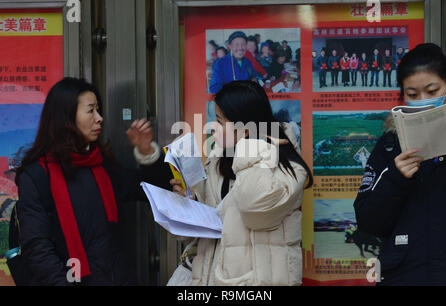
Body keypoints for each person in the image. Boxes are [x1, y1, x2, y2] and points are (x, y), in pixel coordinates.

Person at [14, 77, 172, 285]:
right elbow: (37, 248)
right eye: (90, 111)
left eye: (99, 110)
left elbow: (154, 191)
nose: (99, 118)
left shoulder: (102, 166)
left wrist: (147, 152)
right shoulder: (37, 176)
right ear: (66, 117)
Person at [168, 80, 313, 286]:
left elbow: (254, 210)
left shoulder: (289, 168)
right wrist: (186, 204)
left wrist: (251, 148)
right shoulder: (218, 159)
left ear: (245, 129)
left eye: (219, 121)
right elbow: (211, 224)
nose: (212, 128)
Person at [353, 43, 446, 285]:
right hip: (406, 275)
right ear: (402, 95)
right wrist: (396, 178)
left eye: (432, 90)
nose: (424, 100)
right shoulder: (389, 146)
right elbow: (368, 222)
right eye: (413, 94)